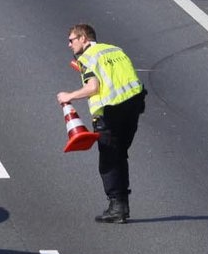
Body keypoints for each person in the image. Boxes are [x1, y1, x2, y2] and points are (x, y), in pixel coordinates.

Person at [55, 24, 147, 224]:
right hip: (134, 105)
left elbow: (93, 87)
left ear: (84, 39)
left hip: (111, 111)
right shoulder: (114, 49)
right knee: (120, 154)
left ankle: (117, 206)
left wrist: (68, 96)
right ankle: (121, 205)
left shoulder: (88, 57)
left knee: (108, 159)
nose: (69, 44)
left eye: (72, 40)